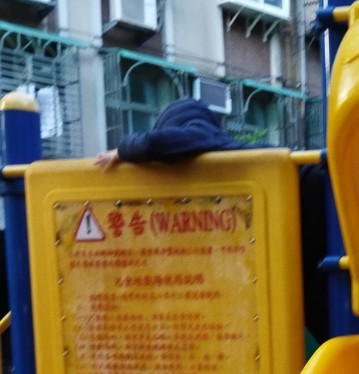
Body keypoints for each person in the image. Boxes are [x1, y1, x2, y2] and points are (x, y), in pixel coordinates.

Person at [95, 99, 329, 346]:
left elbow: (176, 140)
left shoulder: (223, 156)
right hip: (316, 231)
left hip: (324, 219)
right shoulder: (234, 175)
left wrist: (125, 150)